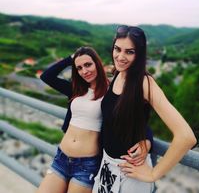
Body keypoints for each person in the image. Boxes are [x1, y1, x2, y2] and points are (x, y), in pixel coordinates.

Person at [92, 25, 197, 193]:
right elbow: (129, 117)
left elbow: (186, 136)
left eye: (129, 52)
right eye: (117, 49)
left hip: (131, 175)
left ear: (139, 54)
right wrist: (147, 137)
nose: (120, 56)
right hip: (107, 168)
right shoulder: (118, 74)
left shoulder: (144, 83)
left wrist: (154, 174)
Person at [36, 46, 153, 193]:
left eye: (88, 64)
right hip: (61, 158)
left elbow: (135, 118)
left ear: (97, 63)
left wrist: (147, 139)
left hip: (87, 165)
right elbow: (47, 76)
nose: (84, 71)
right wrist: (72, 57)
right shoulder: (75, 89)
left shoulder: (112, 91)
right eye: (79, 68)